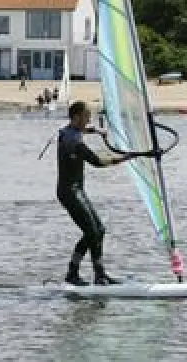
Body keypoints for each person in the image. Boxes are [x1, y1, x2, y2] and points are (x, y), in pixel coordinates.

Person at [56, 101, 136, 286]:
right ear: (76, 117)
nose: (88, 119)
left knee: (98, 230)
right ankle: (75, 273)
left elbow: (80, 130)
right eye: (86, 116)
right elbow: (97, 161)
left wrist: (96, 131)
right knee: (92, 231)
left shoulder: (70, 131)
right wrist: (124, 158)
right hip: (69, 193)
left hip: (76, 190)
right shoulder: (72, 141)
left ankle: (99, 274)